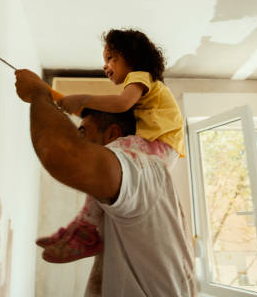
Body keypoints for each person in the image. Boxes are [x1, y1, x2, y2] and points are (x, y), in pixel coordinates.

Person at [15, 68, 197, 296]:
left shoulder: (140, 168)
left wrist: (39, 94)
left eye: (83, 132)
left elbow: (63, 156)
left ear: (112, 135)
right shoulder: (138, 174)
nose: (79, 139)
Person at [38, 29, 186, 263]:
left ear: (131, 57)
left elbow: (120, 103)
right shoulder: (144, 88)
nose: (105, 66)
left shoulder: (140, 77)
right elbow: (105, 112)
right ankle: (83, 226)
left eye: (110, 58)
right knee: (109, 170)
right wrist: (55, 97)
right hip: (163, 149)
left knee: (106, 157)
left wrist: (84, 98)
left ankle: (85, 230)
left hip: (160, 145)